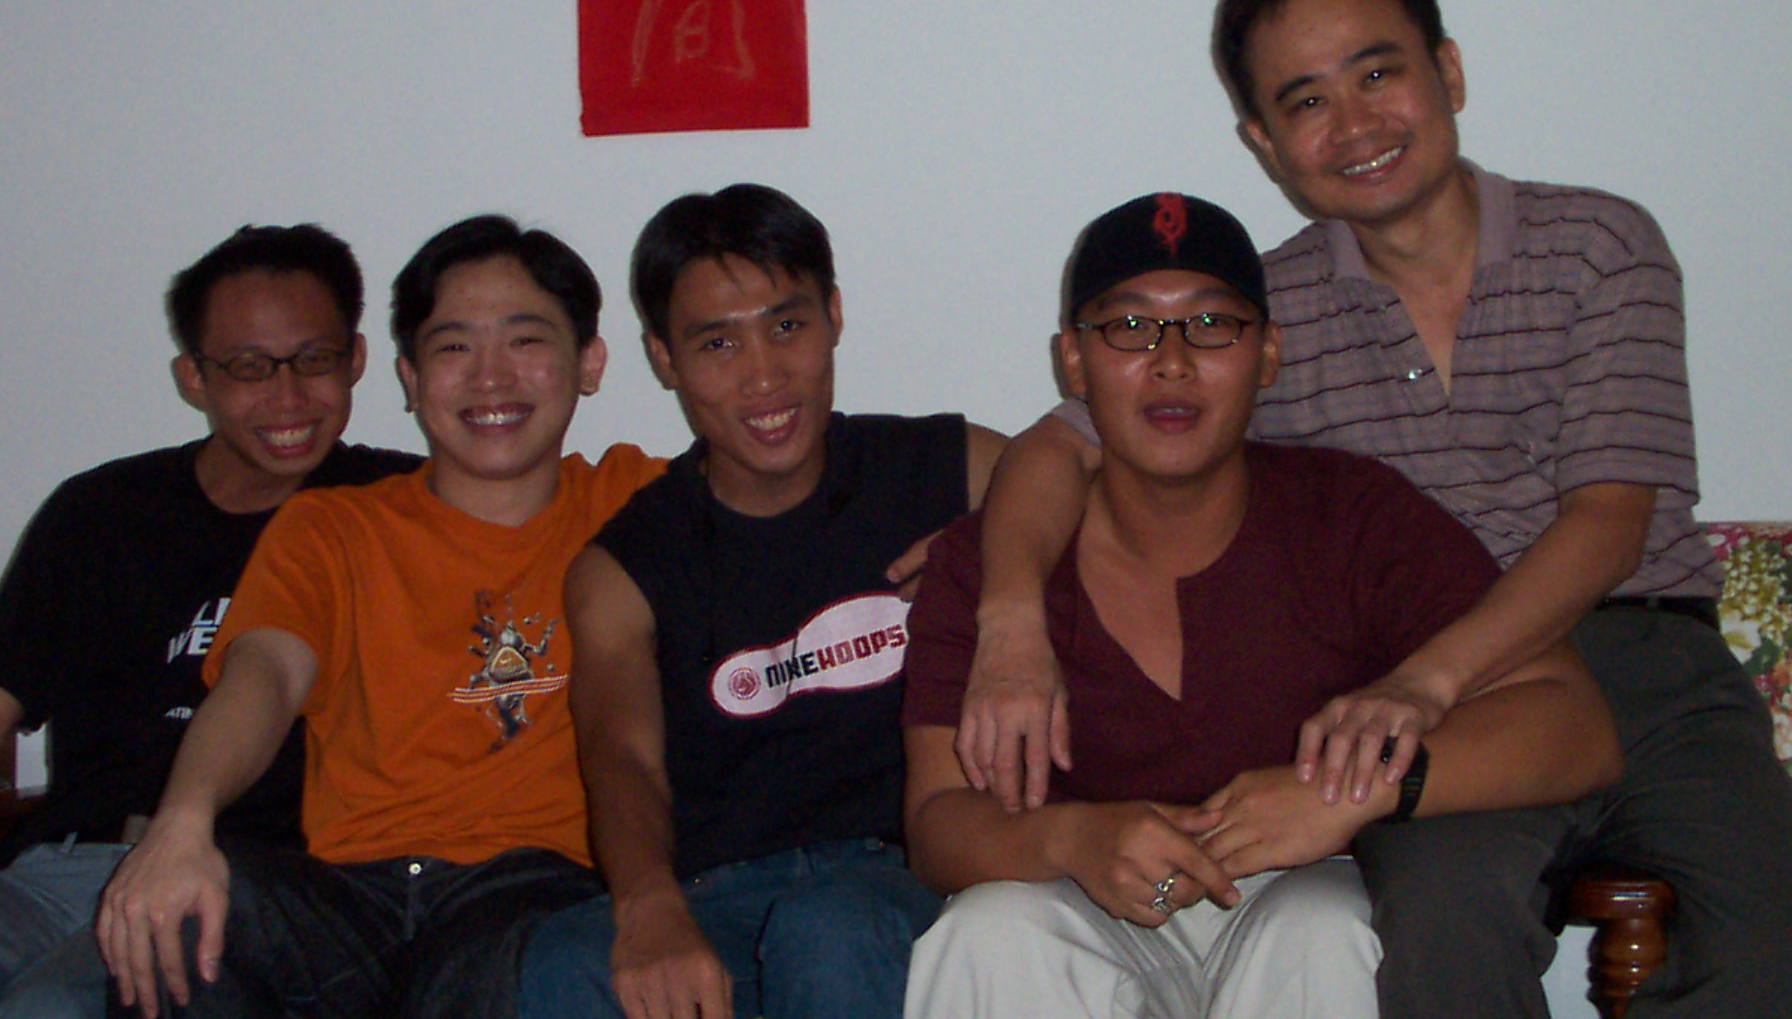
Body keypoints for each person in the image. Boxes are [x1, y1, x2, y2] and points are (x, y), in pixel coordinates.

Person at [960, 0, 1792, 1018]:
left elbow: (1608, 523)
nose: (1353, 124)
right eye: (1305, 101)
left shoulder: (1599, 243)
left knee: (1770, 936)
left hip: (1641, 666)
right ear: (1264, 143)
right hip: (1439, 709)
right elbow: (1063, 444)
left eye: (1378, 73)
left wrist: (1421, 685)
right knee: (1433, 923)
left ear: (1447, 71)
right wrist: (1006, 608)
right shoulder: (1263, 318)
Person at [898, 191, 1622, 1019]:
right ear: (1073, 361)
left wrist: (1349, 792)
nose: (1172, 362)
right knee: (988, 932)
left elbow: (1574, 727)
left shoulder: (1352, 516)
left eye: (1212, 325)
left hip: (1307, 887)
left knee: (1324, 929)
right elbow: (937, 825)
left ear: (1269, 353)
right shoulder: (992, 561)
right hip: (1086, 895)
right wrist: (1071, 840)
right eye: (1129, 327)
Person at [94, 215, 665, 1019]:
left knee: (511, 970)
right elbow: (264, 674)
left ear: (590, 362)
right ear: (410, 376)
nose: (490, 377)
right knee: (179, 926)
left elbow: (791, 493)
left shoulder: (637, 503)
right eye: (454, 347)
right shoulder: (332, 528)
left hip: (532, 886)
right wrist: (182, 825)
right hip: (345, 896)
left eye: (525, 341)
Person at [519, 184, 1008, 1019]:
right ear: (664, 358)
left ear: (834, 315)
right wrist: (647, 904)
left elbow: (1108, 500)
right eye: (717, 343)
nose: (764, 376)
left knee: (828, 930)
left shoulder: (944, 469)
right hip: (716, 895)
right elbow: (620, 756)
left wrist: (1004, 557)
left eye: (787, 326)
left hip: (905, 881)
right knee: (568, 958)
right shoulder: (624, 567)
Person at [0, 225, 419, 1019]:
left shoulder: (401, 512)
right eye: (249, 367)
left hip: (249, 889)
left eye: (314, 360)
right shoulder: (103, 512)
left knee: (47, 1008)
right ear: (194, 376)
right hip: (62, 871)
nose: (288, 398)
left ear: (356, 359)